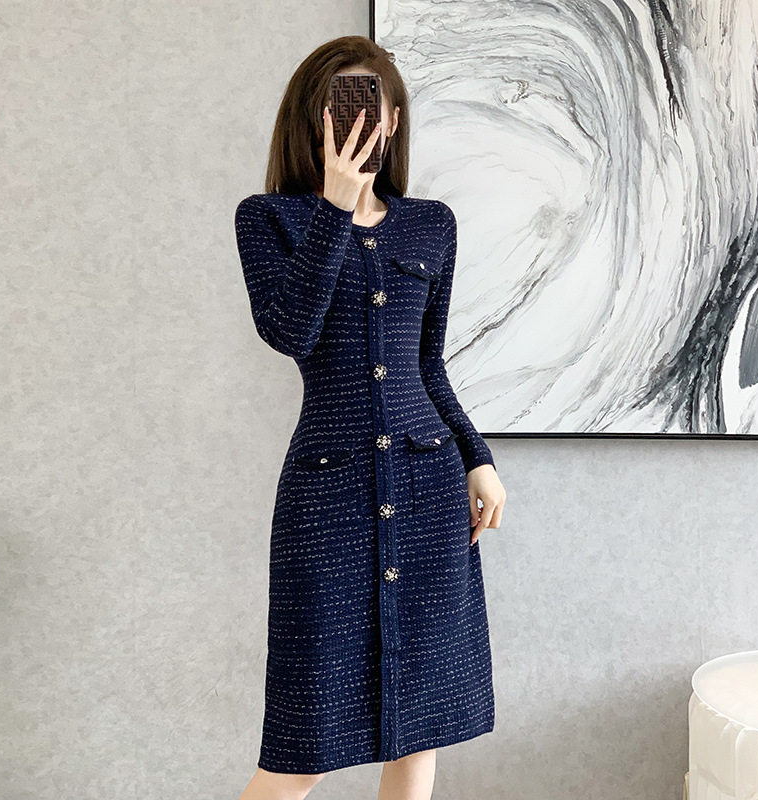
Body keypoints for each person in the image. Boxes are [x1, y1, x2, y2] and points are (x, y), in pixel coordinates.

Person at [233, 35, 507, 800]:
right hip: (327, 504)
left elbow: (429, 366)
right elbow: (290, 331)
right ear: (311, 119)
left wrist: (478, 457)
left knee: (418, 738)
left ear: (393, 121)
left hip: (428, 498)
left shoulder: (431, 225)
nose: (357, 122)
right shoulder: (269, 220)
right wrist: (333, 206)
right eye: (339, 106)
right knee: (300, 753)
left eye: (371, 108)